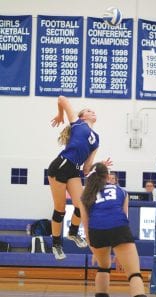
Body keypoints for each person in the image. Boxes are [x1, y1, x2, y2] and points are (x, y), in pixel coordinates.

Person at [48, 95, 111, 260]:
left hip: (74, 170)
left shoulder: (96, 139)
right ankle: (56, 244)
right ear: (82, 116)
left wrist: (100, 164)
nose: (93, 112)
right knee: (60, 209)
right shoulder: (78, 123)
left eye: (93, 111)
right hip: (61, 166)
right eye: (89, 111)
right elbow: (62, 98)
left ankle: (73, 233)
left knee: (82, 204)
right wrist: (61, 114)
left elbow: (86, 169)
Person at [80, 162, 147, 297]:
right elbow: (124, 218)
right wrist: (120, 253)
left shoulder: (85, 195)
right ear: (107, 176)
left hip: (96, 233)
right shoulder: (121, 191)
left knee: (103, 267)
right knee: (134, 274)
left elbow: (86, 226)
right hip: (119, 229)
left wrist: (94, 247)